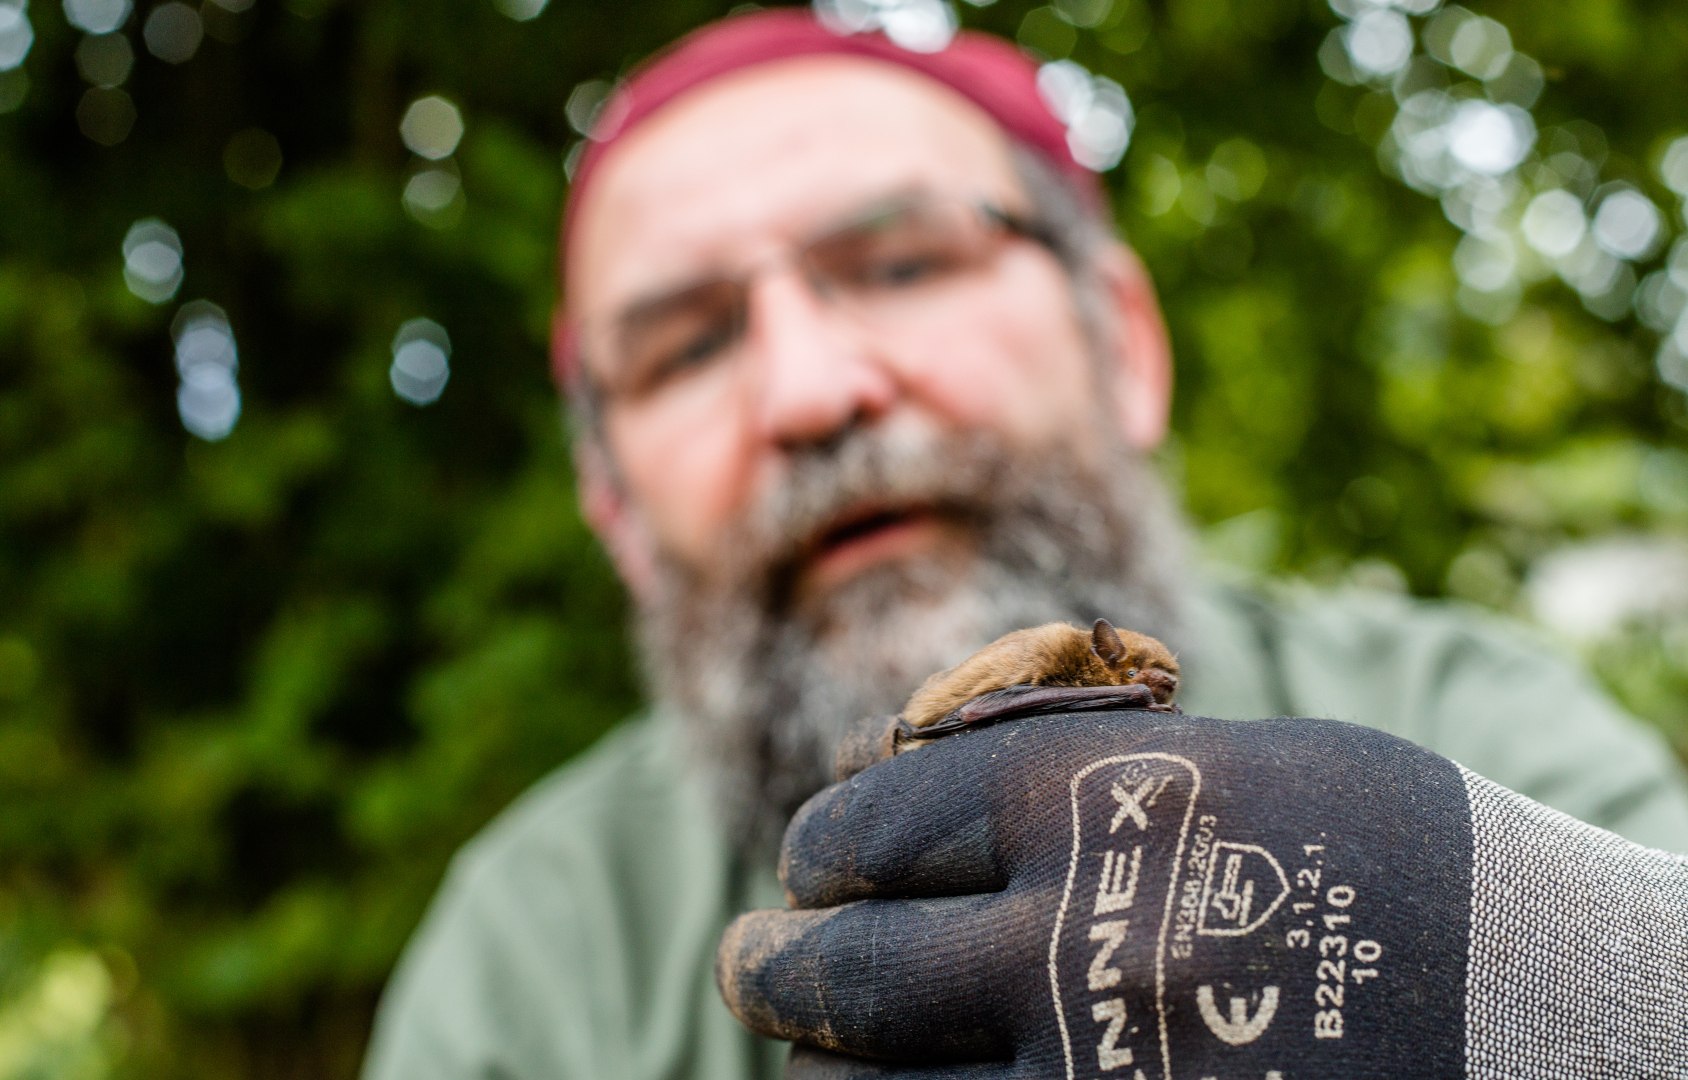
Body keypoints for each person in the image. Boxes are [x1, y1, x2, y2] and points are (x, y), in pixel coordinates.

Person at [359, 9, 1688, 1079]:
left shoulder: (1471, 730)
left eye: (901, 263)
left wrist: (1558, 992)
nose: (811, 389)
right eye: (688, 345)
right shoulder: (534, 954)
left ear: (1127, 345)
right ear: (614, 513)